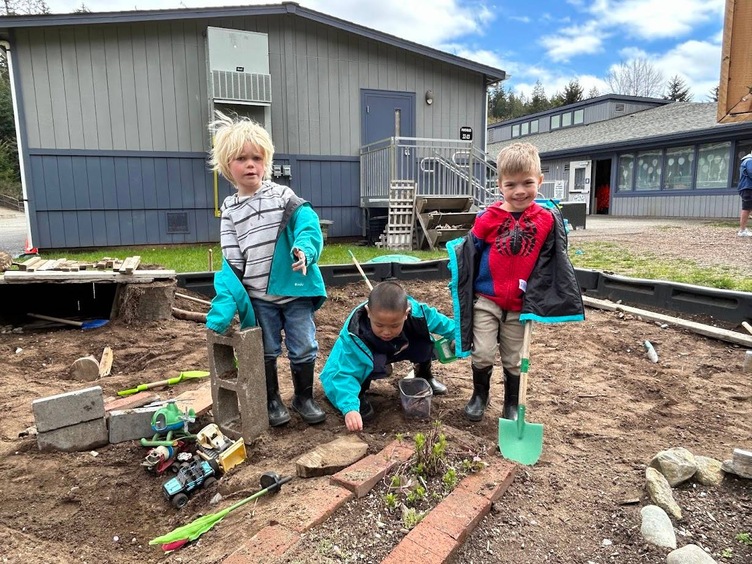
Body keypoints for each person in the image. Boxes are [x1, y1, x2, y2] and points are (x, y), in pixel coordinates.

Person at [447, 142, 585, 423]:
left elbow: (551, 260)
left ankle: (512, 402)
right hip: (487, 298)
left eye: (527, 183)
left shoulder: (546, 220)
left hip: (521, 305)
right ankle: (480, 395)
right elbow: (470, 252)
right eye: (511, 184)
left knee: (514, 358)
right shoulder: (489, 218)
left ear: (540, 181)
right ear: (499, 185)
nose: (520, 191)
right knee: (483, 351)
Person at [207, 111, 327, 426]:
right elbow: (231, 263)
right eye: (241, 159)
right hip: (259, 297)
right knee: (267, 349)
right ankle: (272, 400)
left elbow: (307, 223)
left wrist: (306, 248)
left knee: (304, 344)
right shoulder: (230, 210)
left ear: (266, 161)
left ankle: (303, 397)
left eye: (257, 158)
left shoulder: (282, 196)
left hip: (295, 290)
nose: (250, 165)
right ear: (226, 166)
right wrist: (224, 307)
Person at [319, 281, 454, 432]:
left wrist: (459, 339)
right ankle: (360, 393)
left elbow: (445, 324)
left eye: (394, 325)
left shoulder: (418, 314)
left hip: (399, 346)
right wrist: (349, 407)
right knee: (366, 363)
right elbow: (343, 374)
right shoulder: (355, 335)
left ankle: (424, 374)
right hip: (370, 353)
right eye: (379, 325)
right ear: (368, 312)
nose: (387, 332)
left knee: (424, 340)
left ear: (406, 313)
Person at [737, 151, 752, 237]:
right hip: (747, 188)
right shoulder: (749, 160)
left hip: (748, 187)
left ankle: (743, 229)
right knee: (746, 208)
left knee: (748, 208)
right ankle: (742, 230)